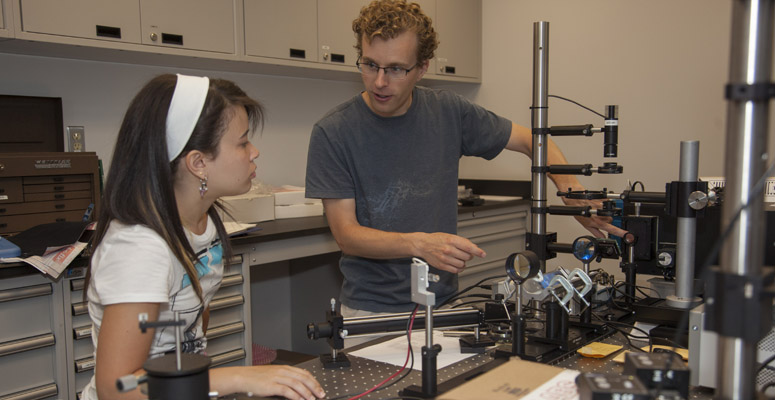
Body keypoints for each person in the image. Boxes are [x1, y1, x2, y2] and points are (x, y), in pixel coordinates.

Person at [305, 0, 626, 317]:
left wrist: (571, 193)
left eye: (396, 69)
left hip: (444, 302)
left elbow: (532, 140)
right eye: (370, 64)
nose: (379, 81)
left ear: (423, 68)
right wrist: (419, 245)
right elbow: (347, 235)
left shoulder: (448, 112)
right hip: (371, 311)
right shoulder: (334, 131)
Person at [81, 74, 325, 400]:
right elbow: (117, 387)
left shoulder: (201, 222)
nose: (254, 152)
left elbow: (191, 322)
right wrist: (239, 377)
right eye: (242, 142)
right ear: (198, 163)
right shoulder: (140, 249)